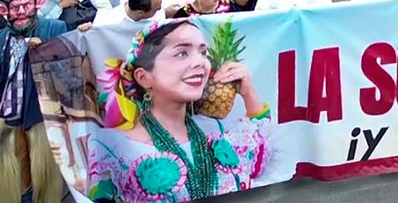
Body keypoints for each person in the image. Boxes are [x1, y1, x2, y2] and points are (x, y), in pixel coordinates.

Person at [89, 20, 291, 200]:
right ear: (144, 78)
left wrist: (249, 93)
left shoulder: (217, 131)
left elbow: (264, 160)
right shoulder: (112, 150)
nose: (200, 63)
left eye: (203, 53)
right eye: (181, 53)